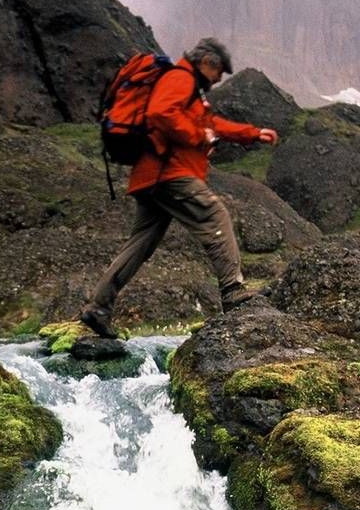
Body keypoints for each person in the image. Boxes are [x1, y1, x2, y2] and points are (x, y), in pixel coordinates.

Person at [79, 38, 279, 339]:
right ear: (208, 63)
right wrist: (199, 136)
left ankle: (98, 308)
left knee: (139, 245)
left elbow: (213, 124)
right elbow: (162, 113)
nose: (217, 80)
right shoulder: (180, 78)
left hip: (151, 178)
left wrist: (253, 134)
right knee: (214, 215)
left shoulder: (189, 90)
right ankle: (233, 290)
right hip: (169, 173)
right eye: (218, 72)